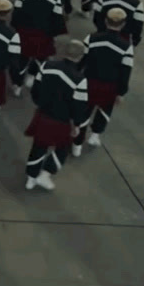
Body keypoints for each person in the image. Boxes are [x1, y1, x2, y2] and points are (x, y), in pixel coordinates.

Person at [24, 39, 91, 191]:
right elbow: (79, 106)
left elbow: (35, 90)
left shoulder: (47, 66)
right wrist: (77, 124)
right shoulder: (80, 80)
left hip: (43, 114)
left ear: (64, 52)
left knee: (38, 146)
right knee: (62, 148)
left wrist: (40, 104)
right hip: (63, 120)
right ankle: (45, 174)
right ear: (80, 57)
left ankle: (31, 177)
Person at [75, 8, 135, 155]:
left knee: (84, 111)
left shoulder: (91, 38)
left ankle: (77, 144)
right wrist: (121, 92)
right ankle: (95, 136)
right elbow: (125, 72)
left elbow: (81, 60)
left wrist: (75, 78)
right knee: (104, 111)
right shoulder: (126, 47)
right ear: (123, 24)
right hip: (110, 86)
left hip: (89, 81)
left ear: (105, 21)